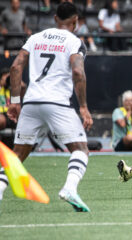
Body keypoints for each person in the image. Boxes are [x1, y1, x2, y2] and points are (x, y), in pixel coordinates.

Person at [0, 2, 93, 212]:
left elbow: (15, 67)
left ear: (55, 19)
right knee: (80, 149)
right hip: (57, 103)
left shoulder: (35, 38)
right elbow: (78, 73)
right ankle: (70, 188)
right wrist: (84, 107)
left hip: (32, 103)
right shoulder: (74, 41)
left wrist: (15, 102)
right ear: (75, 22)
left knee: (18, 155)